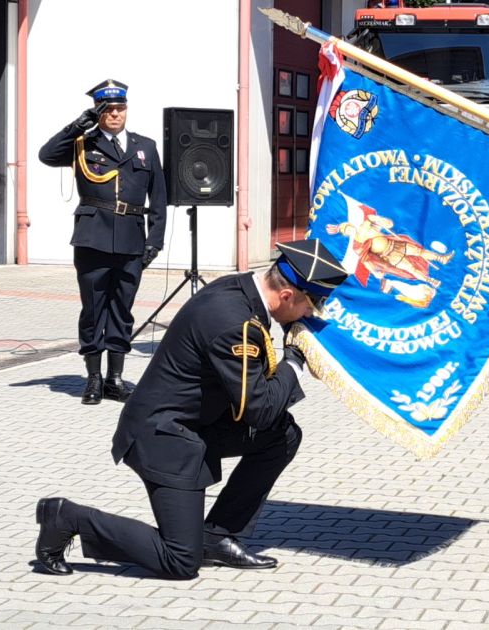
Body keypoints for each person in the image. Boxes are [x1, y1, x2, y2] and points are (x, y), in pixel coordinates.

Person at [33, 239, 349, 579]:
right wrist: (295, 361)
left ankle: (216, 537)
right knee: (180, 561)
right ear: (287, 295)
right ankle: (67, 518)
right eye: (310, 306)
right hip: (162, 437)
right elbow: (259, 408)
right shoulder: (234, 324)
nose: (309, 315)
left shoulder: (241, 289)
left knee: (282, 434)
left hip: (197, 423)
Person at [38, 79, 168, 405]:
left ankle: (115, 378)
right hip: (92, 239)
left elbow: (160, 199)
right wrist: (78, 124)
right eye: (107, 110)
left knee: (122, 311)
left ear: (127, 110)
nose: (114, 115)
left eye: (119, 108)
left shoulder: (145, 147)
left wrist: (154, 241)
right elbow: (46, 154)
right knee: (94, 310)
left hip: (132, 242)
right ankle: (93, 379)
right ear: (98, 113)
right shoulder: (84, 143)